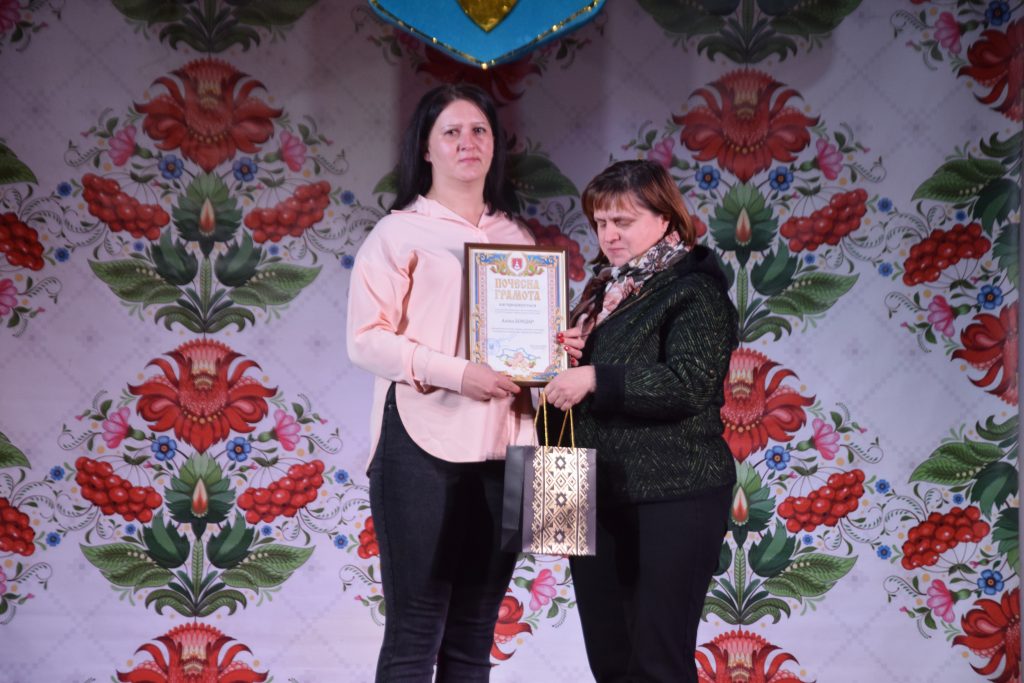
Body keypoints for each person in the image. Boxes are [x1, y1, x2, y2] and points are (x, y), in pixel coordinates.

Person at [346, 83, 535, 682]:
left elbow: (529, 349)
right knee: (415, 630)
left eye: (479, 130)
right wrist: (457, 373)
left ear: (495, 145)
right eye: (451, 132)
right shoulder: (398, 233)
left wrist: (561, 350)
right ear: (425, 149)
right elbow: (365, 340)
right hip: (419, 441)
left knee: (477, 632)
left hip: (510, 445)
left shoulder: (517, 237)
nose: (467, 142)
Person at [542, 160, 738, 682]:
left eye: (623, 222)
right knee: (611, 662)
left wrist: (595, 377)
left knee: (657, 663)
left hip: (673, 491)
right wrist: (569, 357)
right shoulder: (600, 292)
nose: (609, 235)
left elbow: (691, 383)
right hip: (588, 491)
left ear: (665, 219)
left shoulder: (694, 289)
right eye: (601, 222)